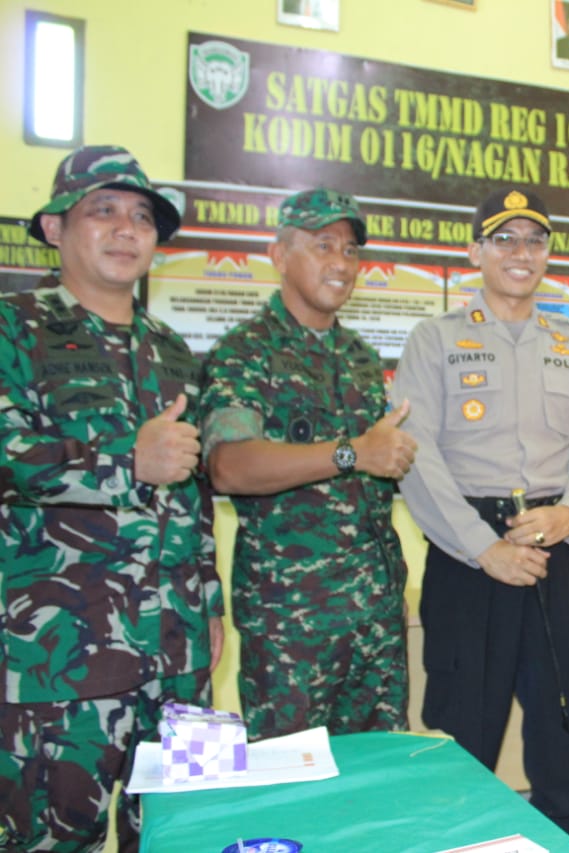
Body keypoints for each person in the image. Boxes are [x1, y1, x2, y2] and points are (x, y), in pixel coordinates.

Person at [0, 145, 223, 852]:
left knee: (183, 836)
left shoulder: (173, 349)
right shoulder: (14, 327)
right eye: (103, 210)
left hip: (180, 660)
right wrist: (127, 461)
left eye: (142, 217)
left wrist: (210, 604)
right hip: (61, 662)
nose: (127, 229)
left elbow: (197, 493)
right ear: (54, 227)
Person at [393, 188, 569, 841]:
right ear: (476, 251)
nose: (521, 253)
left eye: (535, 240)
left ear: (548, 253)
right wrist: (481, 546)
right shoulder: (435, 340)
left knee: (560, 727)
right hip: (470, 557)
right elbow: (416, 454)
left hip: (556, 547)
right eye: (505, 239)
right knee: (464, 732)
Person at [199, 188, 415, 741]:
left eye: (350, 250)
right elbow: (228, 465)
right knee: (290, 782)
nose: (341, 264)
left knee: (377, 776)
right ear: (278, 255)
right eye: (324, 246)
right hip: (293, 625)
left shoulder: (361, 358)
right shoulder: (246, 352)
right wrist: (353, 453)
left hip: (375, 618)